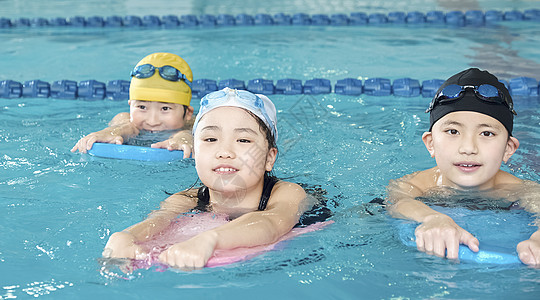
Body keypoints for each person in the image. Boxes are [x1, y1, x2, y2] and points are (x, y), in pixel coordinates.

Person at [102, 87, 310, 269]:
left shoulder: (287, 193)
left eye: (243, 140)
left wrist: (210, 239)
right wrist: (127, 237)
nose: (224, 151)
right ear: (196, 152)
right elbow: (157, 221)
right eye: (210, 139)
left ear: (269, 158)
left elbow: (272, 223)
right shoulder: (186, 199)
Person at [386, 68, 540, 266]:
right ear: (430, 143)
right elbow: (397, 201)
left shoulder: (521, 190)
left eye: (486, 134)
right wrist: (433, 218)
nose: (468, 148)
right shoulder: (414, 185)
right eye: (452, 131)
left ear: (508, 149)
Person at [71, 52, 194, 158]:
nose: (152, 121)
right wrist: (113, 132)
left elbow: (189, 133)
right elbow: (127, 127)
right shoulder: (124, 118)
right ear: (130, 105)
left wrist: (184, 139)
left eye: (165, 108)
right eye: (142, 107)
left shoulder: (197, 125)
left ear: (188, 113)